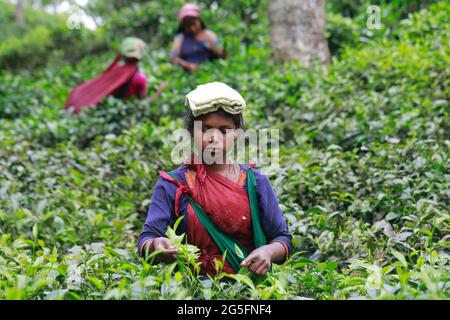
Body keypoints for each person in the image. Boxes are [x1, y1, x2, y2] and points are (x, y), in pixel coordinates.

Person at [137, 82, 291, 277]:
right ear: (192, 132)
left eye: (224, 130)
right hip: (189, 291)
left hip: (247, 291)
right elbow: (147, 238)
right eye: (206, 129)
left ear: (236, 134)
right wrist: (156, 246)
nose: (214, 138)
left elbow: (282, 238)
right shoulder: (172, 184)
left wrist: (268, 252)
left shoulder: (255, 182)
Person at [64, 37, 149, 114]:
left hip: (101, 109)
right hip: (120, 112)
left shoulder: (114, 69)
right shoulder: (140, 78)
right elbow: (143, 102)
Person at [170, 3, 227, 73]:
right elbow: (173, 58)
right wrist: (186, 65)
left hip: (207, 73)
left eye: (194, 24)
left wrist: (215, 49)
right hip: (186, 75)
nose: (192, 28)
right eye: (188, 26)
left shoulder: (209, 35)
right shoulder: (180, 38)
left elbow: (222, 56)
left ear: (199, 20)